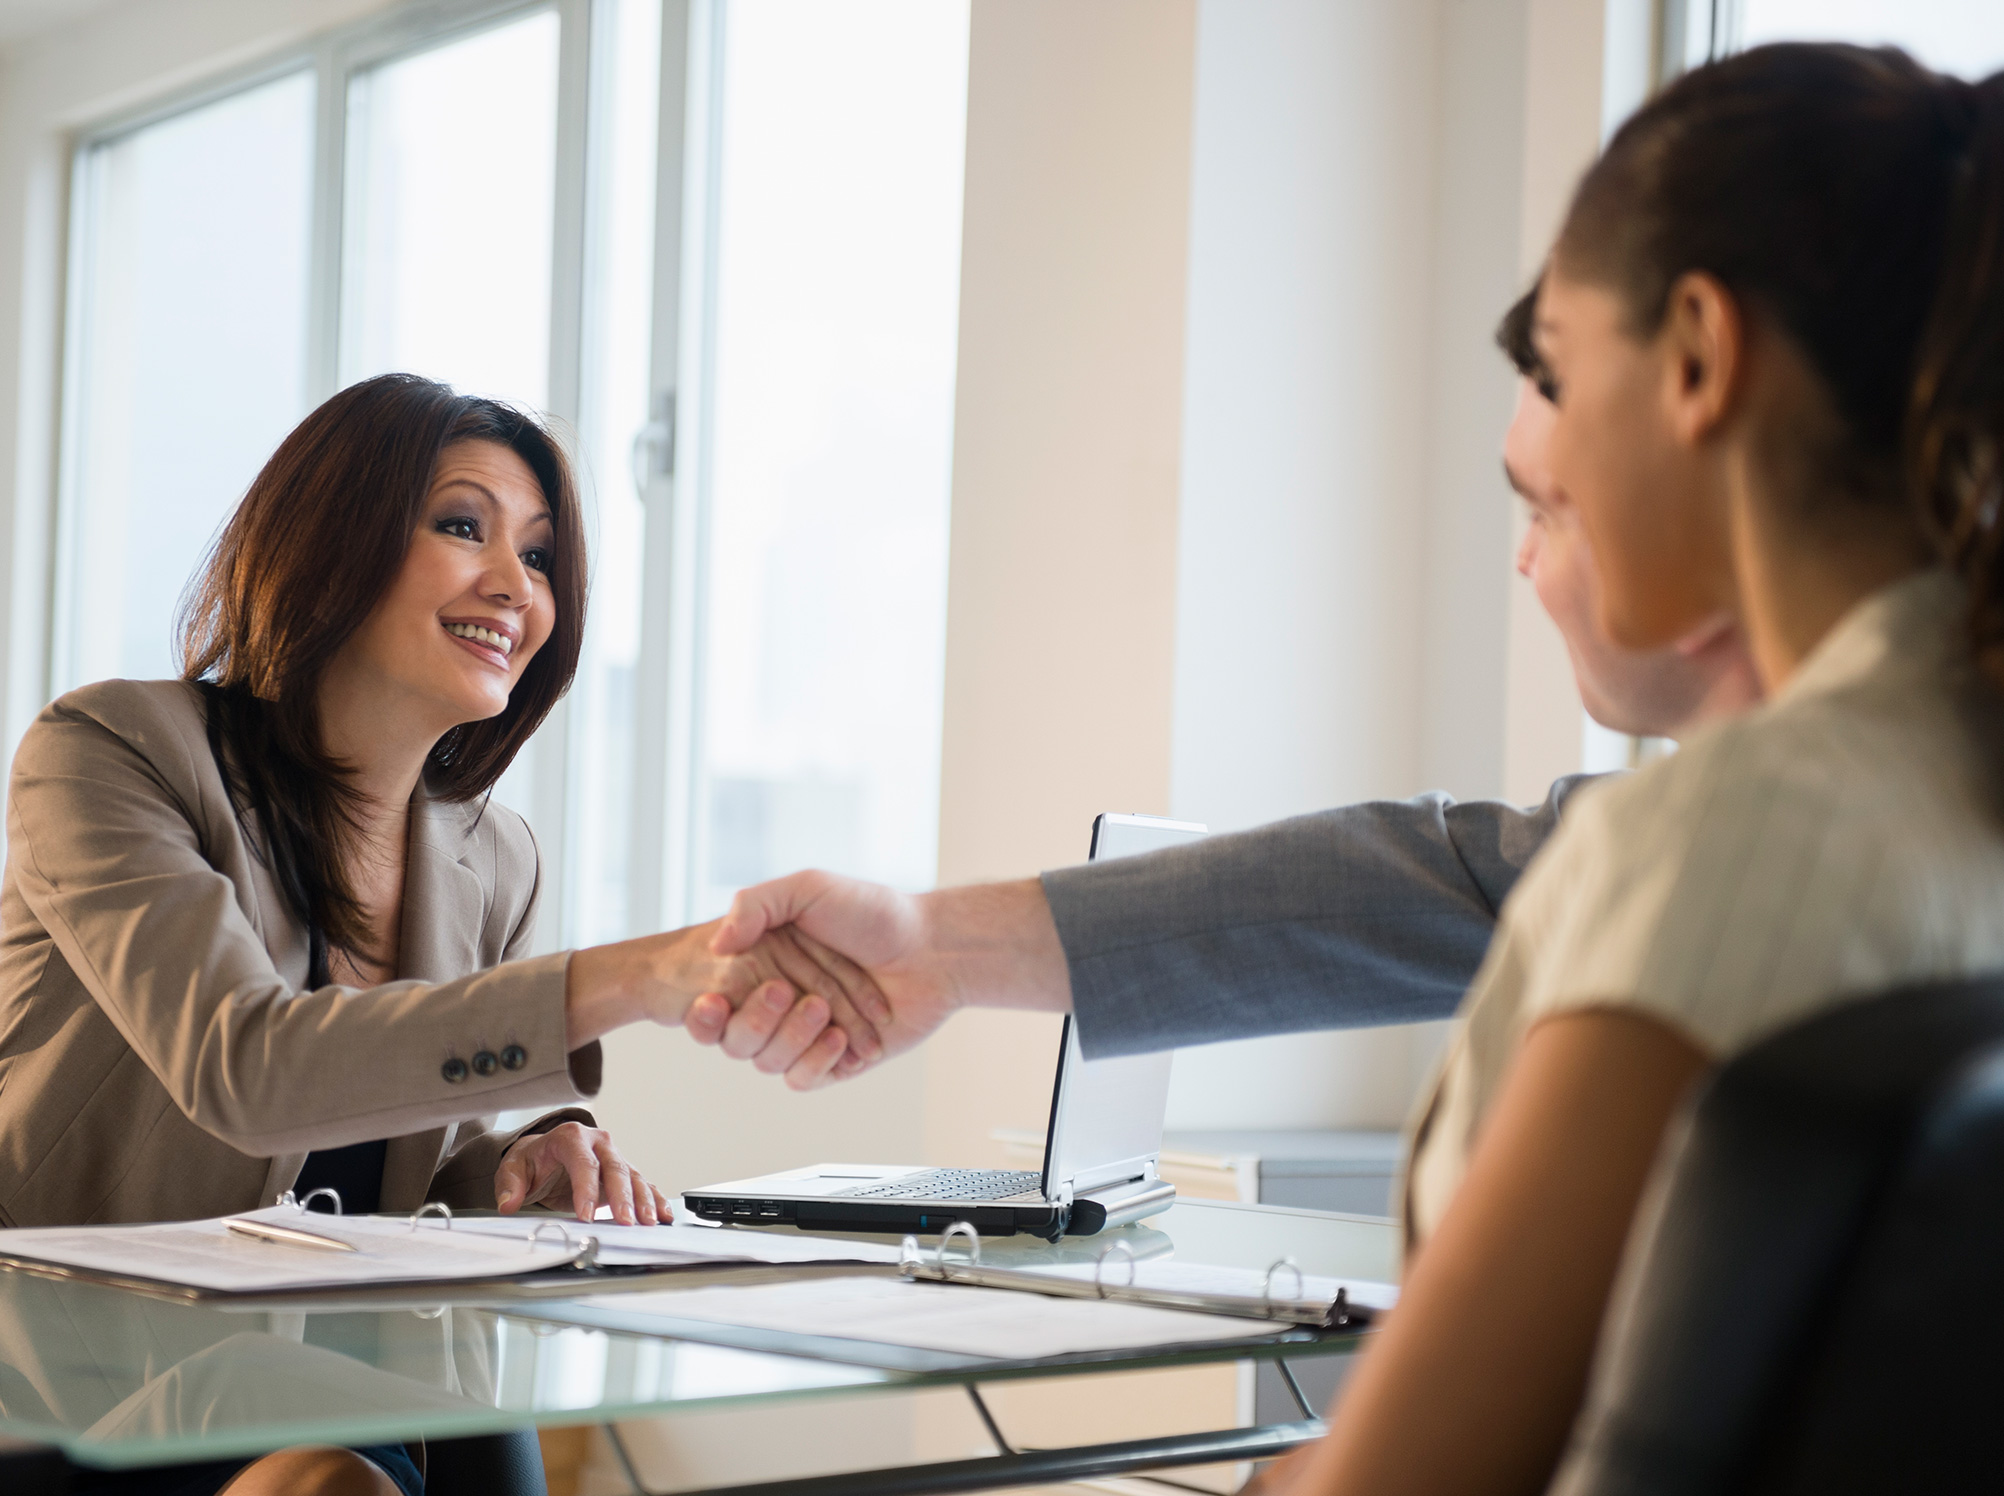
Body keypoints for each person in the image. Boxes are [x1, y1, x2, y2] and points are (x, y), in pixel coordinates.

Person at [715, 41, 2004, 1495]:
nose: (1537, 452)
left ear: (1699, 356)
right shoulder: (1946, 780)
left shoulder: (1740, 833)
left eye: (1561, 369)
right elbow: (1456, 878)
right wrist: (942, 945)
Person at [0, 374, 885, 1496]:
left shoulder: (492, 854)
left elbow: (393, 1170)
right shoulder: (113, 750)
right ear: (333, 542)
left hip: (308, 1348)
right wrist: (633, 976)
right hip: (74, 1367)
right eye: (463, 526)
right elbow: (250, 1067)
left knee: (475, 1433)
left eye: (542, 555)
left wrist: (515, 1163)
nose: (515, 583)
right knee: (364, 1461)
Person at [680, 287, 1761, 1088]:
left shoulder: (1760, 854)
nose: (1526, 561)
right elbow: (1437, 881)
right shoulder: (1692, 831)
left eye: (1547, 509)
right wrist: (933, 942)